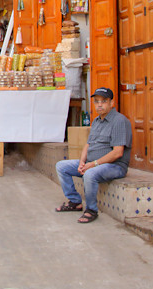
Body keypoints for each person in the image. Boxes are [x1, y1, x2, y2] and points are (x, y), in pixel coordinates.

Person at [55, 87, 132, 224]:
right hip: (92, 163)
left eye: (104, 101)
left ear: (112, 103)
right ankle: (75, 202)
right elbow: (88, 145)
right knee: (61, 166)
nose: (99, 105)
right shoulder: (96, 121)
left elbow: (117, 152)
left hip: (114, 166)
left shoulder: (119, 121)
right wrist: (82, 162)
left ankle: (91, 210)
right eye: (96, 101)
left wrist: (93, 164)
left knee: (90, 174)